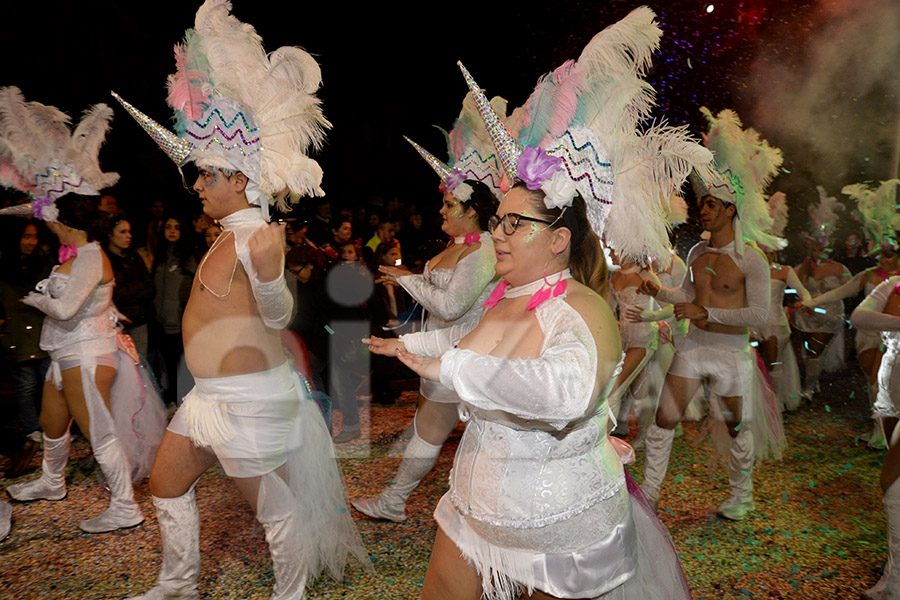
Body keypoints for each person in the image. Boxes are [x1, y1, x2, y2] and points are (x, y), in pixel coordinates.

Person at [115, 2, 368, 597]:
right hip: (209, 398)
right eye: (198, 175)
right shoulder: (228, 234)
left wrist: (274, 277)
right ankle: (178, 583)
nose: (198, 185)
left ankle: (291, 592)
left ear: (240, 179)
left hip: (253, 401)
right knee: (165, 484)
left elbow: (279, 317)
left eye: (207, 175)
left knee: (275, 511)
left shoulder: (258, 237)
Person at [0, 90, 164, 535]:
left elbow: (67, 306)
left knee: (98, 431)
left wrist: (33, 299)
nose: (44, 222)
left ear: (64, 217)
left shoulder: (90, 255)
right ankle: (52, 482)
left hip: (87, 354)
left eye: (48, 216)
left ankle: (125, 505)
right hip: (64, 353)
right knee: (53, 422)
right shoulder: (71, 254)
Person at [640, 106, 786, 521]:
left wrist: (706, 311)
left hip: (730, 353)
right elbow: (685, 293)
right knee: (664, 417)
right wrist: (659, 291)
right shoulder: (697, 251)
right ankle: (649, 495)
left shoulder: (752, 260)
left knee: (736, 426)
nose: (702, 210)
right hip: (694, 345)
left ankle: (743, 496)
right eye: (701, 203)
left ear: (730, 209)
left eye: (710, 204)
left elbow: (759, 314)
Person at [351, 133, 499, 521]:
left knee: (455, 434)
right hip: (439, 347)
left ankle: (456, 508)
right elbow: (440, 290)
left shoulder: (483, 252)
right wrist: (407, 277)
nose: (442, 210)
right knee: (432, 430)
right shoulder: (459, 245)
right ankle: (402, 500)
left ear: (471, 211)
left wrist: (406, 280)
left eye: (450, 204)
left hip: (467, 350)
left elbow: (452, 306)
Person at [851, 276, 900, 599]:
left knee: (893, 487)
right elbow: (859, 317)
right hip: (893, 388)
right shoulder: (894, 284)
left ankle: (894, 582)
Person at [0, 220, 54, 478]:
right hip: (15, 333)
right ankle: (32, 432)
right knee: (25, 385)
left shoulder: (41, 263)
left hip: (41, 330)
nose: (31, 242)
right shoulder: (3, 266)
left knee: (48, 382)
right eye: (26, 237)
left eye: (34, 237)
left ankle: (49, 428)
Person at [792, 187, 851, 399]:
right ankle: (813, 381)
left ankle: (807, 388)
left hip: (829, 316)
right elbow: (793, 290)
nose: (821, 253)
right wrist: (800, 304)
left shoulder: (840, 269)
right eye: (817, 249)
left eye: (824, 250)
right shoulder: (801, 269)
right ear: (811, 248)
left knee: (815, 351)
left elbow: (850, 291)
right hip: (807, 317)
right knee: (808, 352)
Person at [151, 215, 196, 405]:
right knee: (167, 364)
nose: (171, 231)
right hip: (160, 322)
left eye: (176, 227)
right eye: (168, 227)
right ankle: (173, 398)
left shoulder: (188, 257)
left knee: (182, 364)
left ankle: (184, 402)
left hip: (179, 321)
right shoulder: (159, 256)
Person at [107, 215, 155, 358]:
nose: (129, 236)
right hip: (115, 326)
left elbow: (150, 289)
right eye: (122, 232)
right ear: (110, 234)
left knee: (140, 366)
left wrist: (130, 290)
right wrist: (137, 286)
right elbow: (114, 295)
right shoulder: (105, 260)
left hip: (139, 321)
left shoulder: (134, 257)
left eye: (129, 231)